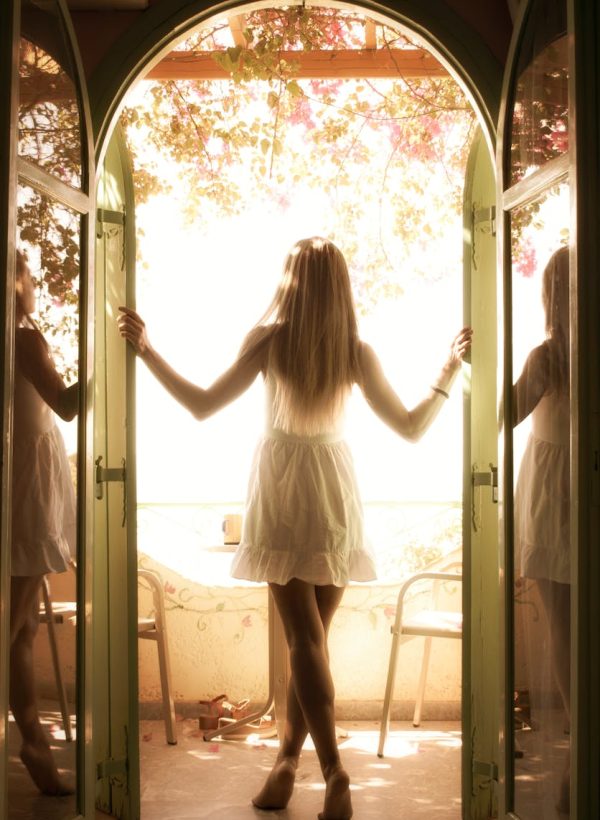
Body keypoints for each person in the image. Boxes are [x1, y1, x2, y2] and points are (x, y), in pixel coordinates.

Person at [118, 237, 471, 819]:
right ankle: (284, 765)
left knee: (302, 643)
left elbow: (203, 405)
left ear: (291, 283)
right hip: (334, 491)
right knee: (314, 645)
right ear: (340, 289)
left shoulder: (270, 342)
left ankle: (332, 772)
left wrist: (149, 352)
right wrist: (447, 370)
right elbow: (410, 427)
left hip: (282, 491)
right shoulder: (355, 352)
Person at [10, 250, 78, 795]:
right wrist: (106, 358)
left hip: (20, 480)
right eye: (29, 275)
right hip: (29, 490)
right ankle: (31, 740)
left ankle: (32, 735)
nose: (34, 283)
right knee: (13, 622)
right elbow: (66, 405)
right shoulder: (24, 338)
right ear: (14, 281)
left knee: (24, 625)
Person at [512, 245, 570, 815]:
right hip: (581, 492)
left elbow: (502, 414)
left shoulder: (549, 356)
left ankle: (580, 756)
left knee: (564, 634)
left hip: (553, 502)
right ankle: (584, 753)